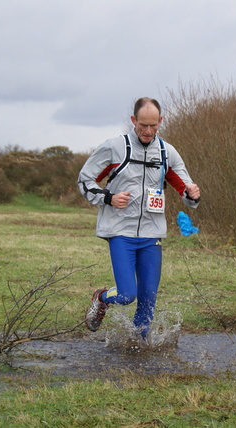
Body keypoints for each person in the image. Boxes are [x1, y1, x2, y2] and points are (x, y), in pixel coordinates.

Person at [78, 97, 200, 341]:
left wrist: (192, 194)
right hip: (120, 231)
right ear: (133, 120)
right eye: (143, 125)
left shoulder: (167, 152)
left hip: (151, 233)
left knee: (148, 300)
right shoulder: (115, 148)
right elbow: (85, 180)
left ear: (160, 122)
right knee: (126, 295)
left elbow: (186, 190)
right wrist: (109, 197)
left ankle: (138, 346)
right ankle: (101, 298)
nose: (148, 131)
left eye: (153, 126)